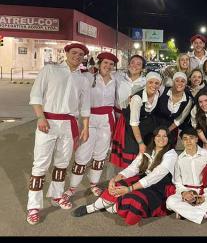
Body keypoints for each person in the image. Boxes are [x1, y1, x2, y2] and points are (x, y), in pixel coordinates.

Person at [26, 43, 91, 225]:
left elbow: (85, 106)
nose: (77, 56)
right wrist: (40, 117)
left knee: (62, 163)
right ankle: (33, 206)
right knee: (40, 165)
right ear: (67, 53)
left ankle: (56, 195)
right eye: (74, 53)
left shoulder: (83, 79)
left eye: (81, 54)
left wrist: (85, 127)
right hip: (48, 121)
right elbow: (36, 95)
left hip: (69, 124)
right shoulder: (50, 70)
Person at [72, 126, 177, 225]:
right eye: (158, 136)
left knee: (135, 200)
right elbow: (133, 168)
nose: (161, 139)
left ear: (169, 139)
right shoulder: (148, 150)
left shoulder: (171, 155)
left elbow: (154, 177)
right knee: (117, 185)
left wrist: (129, 189)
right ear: (154, 138)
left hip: (160, 187)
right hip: (144, 178)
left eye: (165, 136)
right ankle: (91, 208)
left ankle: (107, 206)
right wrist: (114, 179)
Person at [61, 52, 118, 204]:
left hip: (107, 119)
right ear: (99, 64)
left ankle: (94, 184)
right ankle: (72, 187)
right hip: (89, 118)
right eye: (105, 63)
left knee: (100, 154)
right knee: (82, 153)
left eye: (111, 64)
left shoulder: (116, 79)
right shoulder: (88, 76)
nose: (108, 66)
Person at [166, 127, 207, 224]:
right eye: (185, 139)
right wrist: (184, 193)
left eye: (191, 138)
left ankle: (184, 211)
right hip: (187, 193)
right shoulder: (179, 159)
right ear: (182, 141)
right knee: (170, 201)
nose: (188, 141)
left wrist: (204, 197)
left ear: (197, 139)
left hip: (204, 191)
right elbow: (178, 182)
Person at [110, 71, 162, 169]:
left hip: (145, 124)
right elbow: (134, 124)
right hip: (131, 126)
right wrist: (141, 143)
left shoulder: (157, 94)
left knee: (146, 155)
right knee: (134, 151)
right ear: (146, 83)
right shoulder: (137, 99)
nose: (153, 85)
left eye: (157, 83)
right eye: (150, 82)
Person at [155, 72, 194, 147]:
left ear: (185, 84)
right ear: (173, 82)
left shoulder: (188, 100)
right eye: (177, 80)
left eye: (182, 81)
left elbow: (180, 119)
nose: (180, 83)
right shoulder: (163, 90)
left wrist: (167, 131)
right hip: (155, 126)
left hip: (171, 130)